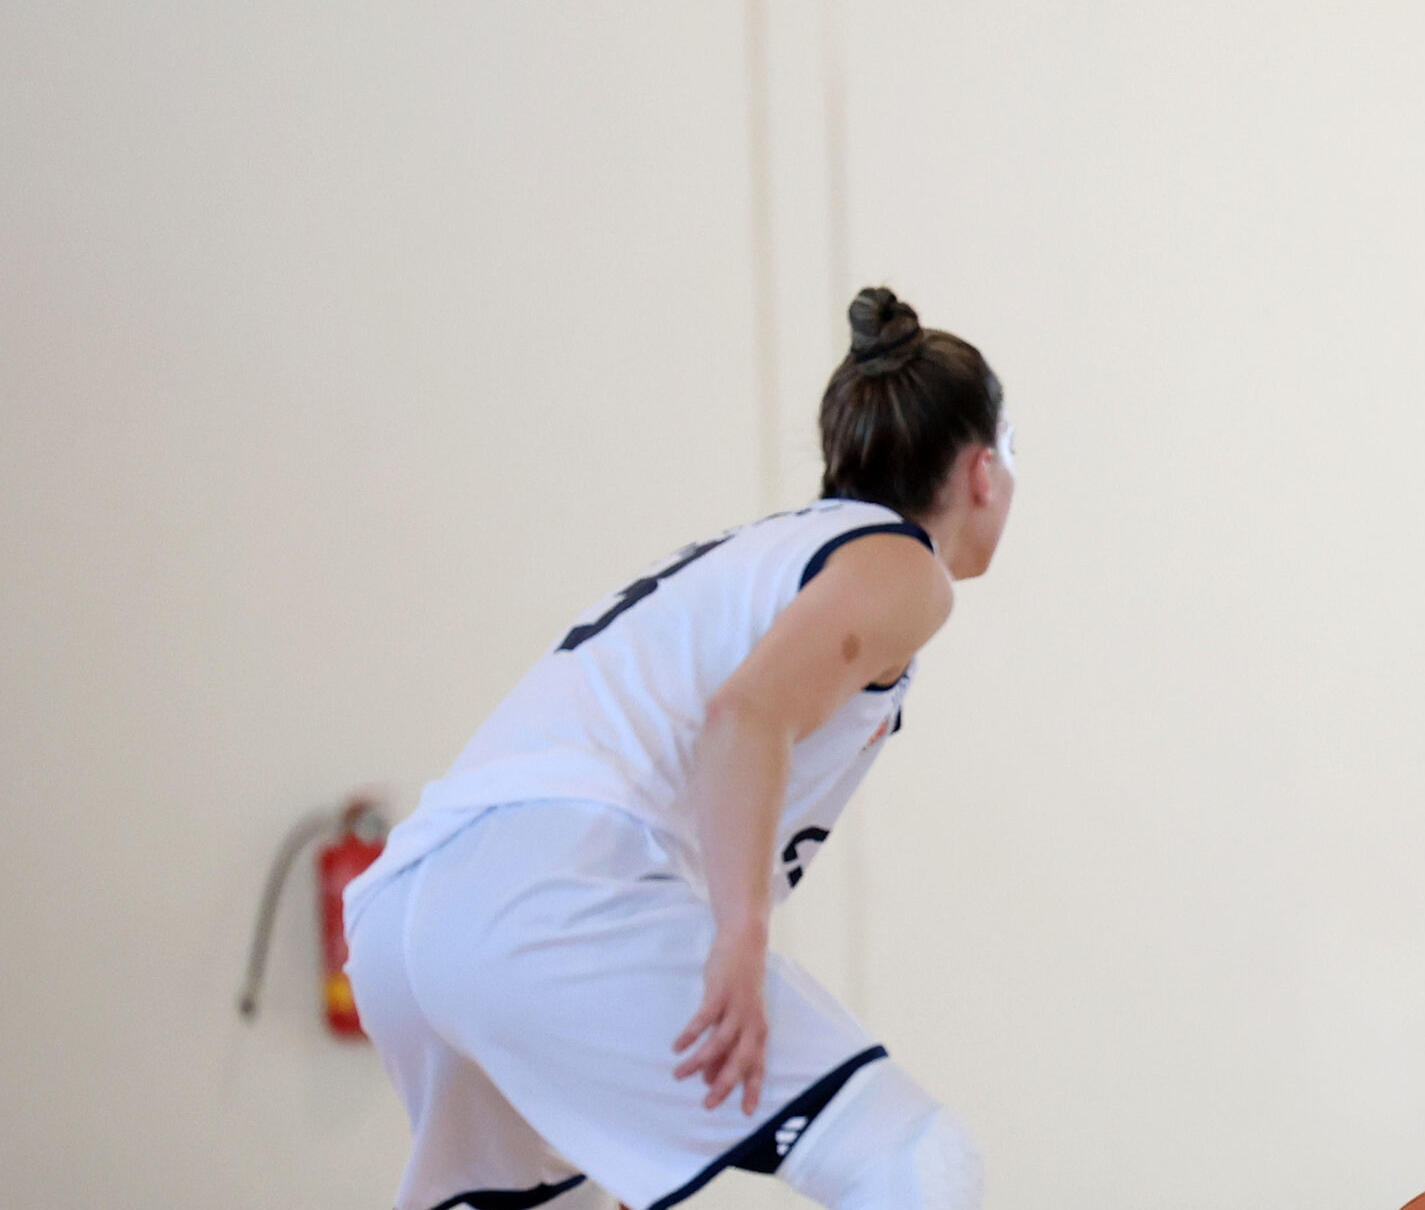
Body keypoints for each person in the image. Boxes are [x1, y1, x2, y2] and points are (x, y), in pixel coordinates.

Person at [342, 287, 1013, 1210]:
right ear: (984, 469)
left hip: (412, 913)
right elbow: (743, 717)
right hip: (553, 884)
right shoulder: (902, 564)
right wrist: (740, 934)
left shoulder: (760, 554)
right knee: (914, 1159)